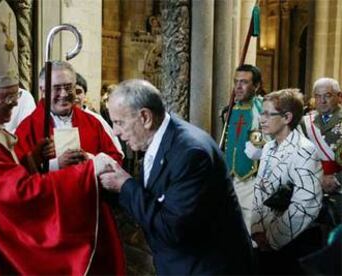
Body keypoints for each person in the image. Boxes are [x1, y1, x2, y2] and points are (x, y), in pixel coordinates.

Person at [0, 1, 125, 274]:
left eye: (15, 97)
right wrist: (86, 171)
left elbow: (5, 182)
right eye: (7, 99)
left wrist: (31, 160)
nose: (15, 106)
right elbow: (18, 195)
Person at [98, 79, 254, 275]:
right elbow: (152, 197)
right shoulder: (161, 138)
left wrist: (125, 185)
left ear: (145, 117)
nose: (115, 131)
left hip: (205, 268)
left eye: (119, 122)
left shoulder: (191, 153)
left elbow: (171, 229)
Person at [251, 88, 323, 275]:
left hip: (291, 243)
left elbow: (306, 204)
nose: (262, 119)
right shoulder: (268, 147)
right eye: (262, 112)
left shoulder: (304, 150)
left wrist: (273, 239)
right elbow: (259, 188)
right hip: (263, 238)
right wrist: (257, 228)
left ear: (287, 117)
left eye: (268, 114)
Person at [15, 62, 124, 170]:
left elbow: (116, 159)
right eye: (57, 88)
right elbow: (17, 172)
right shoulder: (28, 127)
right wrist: (55, 164)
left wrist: (92, 160)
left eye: (68, 87)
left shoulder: (92, 123)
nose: (64, 94)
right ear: (43, 90)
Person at [223, 64, 264, 234]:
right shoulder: (230, 110)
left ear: (256, 86)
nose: (238, 87)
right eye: (236, 82)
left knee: (249, 229)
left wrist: (260, 148)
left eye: (244, 82)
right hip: (229, 178)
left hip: (251, 179)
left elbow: (266, 140)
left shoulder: (262, 109)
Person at [301, 78, 342, 226]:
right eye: (317, 96)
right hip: (312, 190)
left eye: (327, 95)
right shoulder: (305, 122)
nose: (322, 101)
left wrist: (337, 179)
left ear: (339, 96)